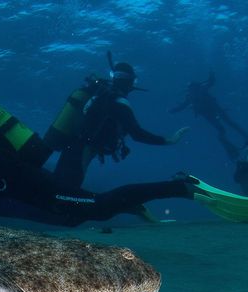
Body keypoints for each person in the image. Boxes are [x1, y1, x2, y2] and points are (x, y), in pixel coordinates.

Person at [0, 87, 248, 226]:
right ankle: (137, 203)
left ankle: (182, 187)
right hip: (5, 197)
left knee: (94, 207)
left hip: (21, 183)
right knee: (74, 219)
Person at [42, 53, 189, 191]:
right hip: (82, 151)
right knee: (65, 192)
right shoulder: (119, 102)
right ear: (131, 81)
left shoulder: (99, 93)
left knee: (58, 186)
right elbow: (137, 135)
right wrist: (169, 140)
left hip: (72, 144)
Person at [169, 71, 248, 159]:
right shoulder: (191, 96)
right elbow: (182, 106)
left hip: (214, 109)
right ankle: (232, 144)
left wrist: (212, 74)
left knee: (229, 123)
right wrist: (174, 110)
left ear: (197, 88)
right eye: (192, 90)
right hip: (208, 114)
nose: (194, 92)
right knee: (222, 129)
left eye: (194, 90)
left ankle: (247, 138)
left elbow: (211, 82)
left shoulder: (201, 89)